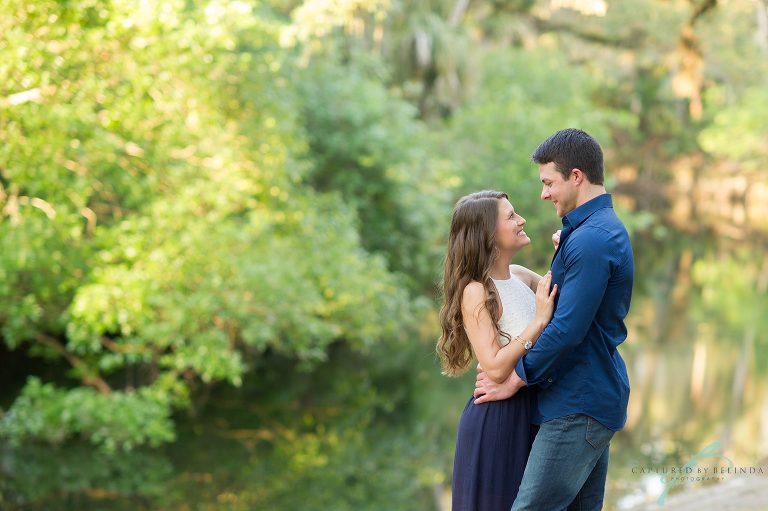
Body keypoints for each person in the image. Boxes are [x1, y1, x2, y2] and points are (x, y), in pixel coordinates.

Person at [474, 128, 634, 510]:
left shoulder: (592, 240)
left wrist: (514, 378)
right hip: (582, 398)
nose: (544, 194)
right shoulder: (586, 233)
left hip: (578, 403)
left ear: (576, 176)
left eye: (549, 183)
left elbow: (566, 329)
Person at [437, 190, 558, 511]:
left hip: (531, 409)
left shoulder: (520, 275)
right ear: (488, 234)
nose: (522, 220)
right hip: (498, 419)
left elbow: (562, 295)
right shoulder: (476, 291)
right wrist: (538, 323)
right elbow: (493, 366)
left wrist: (565, 250)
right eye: (511, 217)